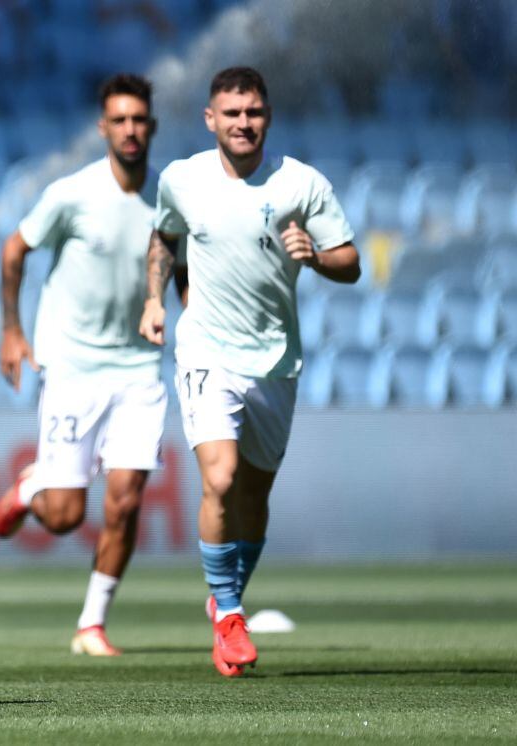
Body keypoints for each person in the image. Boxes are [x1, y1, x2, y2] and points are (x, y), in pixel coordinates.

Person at [140, 67, 360, 676]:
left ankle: (225, 593)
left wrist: (314, 257)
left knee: (254, 498)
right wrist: (155, 299)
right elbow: (163, 238)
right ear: (210, 119)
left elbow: (351, 262)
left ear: (268, 115)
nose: (243, 122)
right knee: (221, 477)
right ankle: (231, 615)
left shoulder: (300, 183)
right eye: (231, 112)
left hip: (276, 362)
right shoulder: (183, 179)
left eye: (253, 112)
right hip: (207, 354)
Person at [0, 73, 168, 656]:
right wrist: (13, 331)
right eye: (119, 120)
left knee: (126, 498)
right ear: (103, 128)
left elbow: (182, 270)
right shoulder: (74, 193)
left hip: (139, 371)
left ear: (153, 125)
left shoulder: (170, 201)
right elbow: (14, 248)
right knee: (66, 516)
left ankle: (92, 624)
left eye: (139, 120)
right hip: (71, 367)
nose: (130, 130)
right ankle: (32, 486)